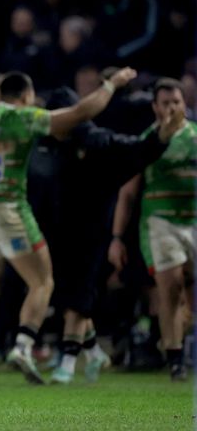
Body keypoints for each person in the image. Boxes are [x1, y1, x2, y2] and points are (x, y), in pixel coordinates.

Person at [0, 67, 137, 385]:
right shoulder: (24, 118)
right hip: (9, 209)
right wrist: (112, 84)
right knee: (42, 282)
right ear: (26, 96)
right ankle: (23, 346)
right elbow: (82, 111)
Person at [27, 86, 184, 384]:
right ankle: (94, 350)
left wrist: (160, 137)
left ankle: (68, 362)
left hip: (93, 227)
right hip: (56, 229)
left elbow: (133, 151)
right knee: (65, 295)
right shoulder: (44, 144)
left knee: (79, 295)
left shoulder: (96, 142)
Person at [109, 78, 196, 381]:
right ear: (155, 108)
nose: (172, 108)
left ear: (184, 104)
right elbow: (128, 193)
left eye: (176, 102)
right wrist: (117, 238)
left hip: (193, 220)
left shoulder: (196, 136)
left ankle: (176, 340)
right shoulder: (148, 141)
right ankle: (175, 360)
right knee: (169, 286)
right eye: (165, 103)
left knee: (189, 296)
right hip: (161, 222)